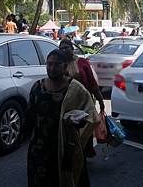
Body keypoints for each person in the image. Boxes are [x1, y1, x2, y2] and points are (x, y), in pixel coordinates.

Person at [24, 50, 99, 187]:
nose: (52, 68)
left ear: (65, 67)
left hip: (66, 148)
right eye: (49, 64)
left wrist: (76, 122)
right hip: (39, 148)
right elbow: (30, 117)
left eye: (57, 64)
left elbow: (91, 116)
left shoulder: (76, 90)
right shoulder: (37, 87)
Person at [58, 40, 105, 157]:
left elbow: (92, 83)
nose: (63, 50)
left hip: (85, 102)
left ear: (72, 49)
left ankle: (83, 153)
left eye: (66, 48)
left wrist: (100, 100)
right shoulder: (58, 64)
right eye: (61, 48)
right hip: (66, 103)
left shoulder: (82, 62)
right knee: (68, 131)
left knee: (85, 129)